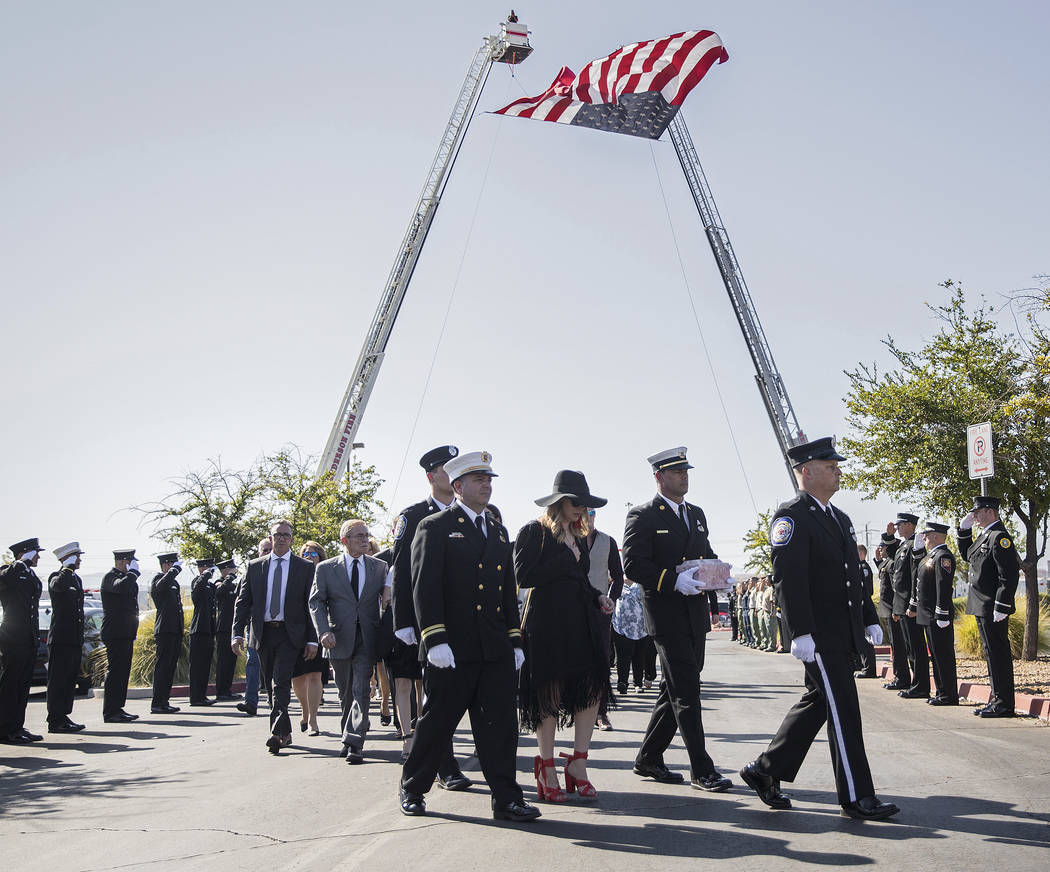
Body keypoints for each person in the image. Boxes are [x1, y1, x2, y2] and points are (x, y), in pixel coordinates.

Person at [739, 437, 899, 821]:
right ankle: (858, 796)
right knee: (844, 707)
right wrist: (799, 632)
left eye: (836, 465)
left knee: (819, 702)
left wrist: (868, 618)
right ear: (806, 471)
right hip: (818, 634)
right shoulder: (791, 516)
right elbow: (788, 580)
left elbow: (853, 579)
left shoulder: (839, 518)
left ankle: (764, 769)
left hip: (841, 631)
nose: (838, 470)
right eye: (830, 466)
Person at [399, 451, 540, 822]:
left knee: (500, 727)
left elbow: (506, 591)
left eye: (489, 479)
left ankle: (507, 799)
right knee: (438, 722)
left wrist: (514, 640)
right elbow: (424, 587)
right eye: (479, 480)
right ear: (458, 486)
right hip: (453, 646)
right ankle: (413, 788)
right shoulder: (435, 526)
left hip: (493, 646)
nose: (486, 485)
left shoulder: (497, 530)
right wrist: (434, 638)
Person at [622, 446, 732, 793]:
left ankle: (648, 757)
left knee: (675, 687)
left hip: (694, 614)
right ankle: (702, 768)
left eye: (686, 471)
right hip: (666, 615)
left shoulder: (696, 513)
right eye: (676, 472)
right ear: (659, 477)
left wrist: (719, 574)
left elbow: (705, 553)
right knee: (687, 690)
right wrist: (672, 580)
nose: (684, 476)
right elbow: (633, 565)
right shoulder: (643, 515)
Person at [515, 470, 615, 801]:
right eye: (575, 502)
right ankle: (546, 765)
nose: (581, 509)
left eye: (585, 504)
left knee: (591, 690)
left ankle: (578, 763)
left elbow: (579, 580)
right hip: (546, 625)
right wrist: (564, 560)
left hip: (580, 623)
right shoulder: (534, 531)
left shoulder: (579, 535)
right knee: (550, 694)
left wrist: (598, 595)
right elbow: (524, 574)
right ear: (559, 502)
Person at [390, 445, 472, 787]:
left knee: (454, 697)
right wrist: (404, 622)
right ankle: (443, 766)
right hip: (429, 624)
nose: (451, 474)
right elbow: (403, 573)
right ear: (431, 476)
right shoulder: (414, 516)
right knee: (437, 699)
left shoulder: (469, 514)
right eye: (444, 469)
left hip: (465, 623)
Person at [232, 519, 319, 755]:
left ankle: (276, 733)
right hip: (263, 633)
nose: (281, 538)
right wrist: (237, 633)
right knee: (269, 683)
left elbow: (311, 606)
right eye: (277, 534)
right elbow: (243, 603)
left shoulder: (304, 568)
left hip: (290, 634)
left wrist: (313, 639)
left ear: (292, 539)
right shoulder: (255, 566)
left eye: (285, 535)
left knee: (280, 680)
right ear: (270, 538)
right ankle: (286, 730)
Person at [310, 523, 387, 761]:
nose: (365, 540)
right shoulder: (326, 568)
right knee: (345, 693)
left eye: (366, 535)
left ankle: (355, 742)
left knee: (361, 688)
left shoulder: (379, 567)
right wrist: (323, 632)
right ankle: (349, 732)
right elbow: (316, 602)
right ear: (345, 540)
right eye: (359, 536)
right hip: (338, 638)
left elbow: (385, 601)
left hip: (367, 637)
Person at [958, 495, 1019, 718]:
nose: (974, 515)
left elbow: (1009, 575)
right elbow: (967, 555)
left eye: (978, 512)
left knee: (998, 654)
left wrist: (1002, 605)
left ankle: (1004, 704)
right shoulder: (986, 536)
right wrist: (964, 532)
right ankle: (997, 698)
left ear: (990, 512)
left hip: (993, 606)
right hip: (982, 605)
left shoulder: (999, 537)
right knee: (990, 653)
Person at [0, 538, 45, 744]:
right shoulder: (9, 572)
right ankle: (5, 729)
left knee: (22, 685)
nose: (37, 556)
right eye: (34, 552)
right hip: (13, 638)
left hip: (28, 638)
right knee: (10, 685)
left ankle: (17, 726)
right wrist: (17, 564)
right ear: (23, 554)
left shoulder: (30, 574)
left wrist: (23, 567)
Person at [584, 508, 623, 731]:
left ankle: (601, 713)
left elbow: (617, 575)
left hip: (599, 611)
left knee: (601, 661)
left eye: (592, 513)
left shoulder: (608, 541)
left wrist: (611, 599)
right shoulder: (568, 540)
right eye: (584, 512)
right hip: (572, 610)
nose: (588, 517)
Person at [914, 522, 958, 706]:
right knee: (936, 655)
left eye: (927, 534)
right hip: (928, 614)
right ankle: (941, 691)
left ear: (937, 536)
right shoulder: (931, 556)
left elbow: (943, 586)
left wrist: (942, 613)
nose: (923, 537)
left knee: (943, 656)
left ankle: (948, 694)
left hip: (937, 615)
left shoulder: (943, 556)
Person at [46, 542, 87, 733]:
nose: (79, 560)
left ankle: (64, 715)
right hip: (61, 639)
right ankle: (55, 720)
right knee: (58, 680)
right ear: (66, 558)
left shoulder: (76, 579)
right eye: (75, 557)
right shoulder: (57, 577)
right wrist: (66, 568)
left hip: (74, 638)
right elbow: (58, 587)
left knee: (69, 679)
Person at [891, 512, 930, 700]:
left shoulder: (916, 544)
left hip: (909, 604)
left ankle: (921, 685)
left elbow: (915, 576)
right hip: (901, 604)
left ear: (910, 525)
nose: (897, 528)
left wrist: (913, 604)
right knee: (909, 647)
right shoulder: (903, 545)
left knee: (916, 647)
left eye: (900, 525)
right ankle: (913, 683)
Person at [101, 548, 142, 723]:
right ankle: (110, 711)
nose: (132, 566)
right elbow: (122, 587)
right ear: (121, 561)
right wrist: (132, 573)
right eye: (129, 562)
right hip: (115, 633)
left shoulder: (127, 579)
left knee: (123, 672)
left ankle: (118, 707)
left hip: (126, 633)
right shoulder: (110, 577)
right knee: (115, 671)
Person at [294, 541, 328, 735]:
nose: (308, 556)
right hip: (296, 630)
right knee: (298, 677)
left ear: (320, 556)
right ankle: (304, 710)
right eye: (305, 554)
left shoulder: (325, 573)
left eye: (313, 553)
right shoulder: (297, 574)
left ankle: (313, 719)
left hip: (318, 628)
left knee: (315, 674)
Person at [237, 536, 271, 716]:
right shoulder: (252, 569)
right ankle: (250, 701)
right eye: (264, 550)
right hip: (255, 626)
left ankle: (274, 700)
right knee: (253, 661)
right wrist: (237, 632)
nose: (267, 553)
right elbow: (241, 601)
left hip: (276, 626)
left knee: (273, 665)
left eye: (270, 549)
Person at [150, 552, 184, 714]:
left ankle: (164, 701)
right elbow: (160, 588)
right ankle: (157, 703)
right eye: (171, 565)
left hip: (174, 630)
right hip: (164, 629)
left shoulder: (174, 583)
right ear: (165, 565)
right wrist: (172, 572)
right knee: (162, 666)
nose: (174, 568)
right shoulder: (158, 579)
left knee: (170, 666)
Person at [876, 529, 908, 690]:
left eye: (883, 547)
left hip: (893, 609)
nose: (881, 550)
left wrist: (896, 609)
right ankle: (899, 676)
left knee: (899, 646)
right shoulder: (886, 562)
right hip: (889, 609)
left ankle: (902, 677)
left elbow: (895, 587)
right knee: (895, 646)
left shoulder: (892, 562)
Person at [188, 557, 218, 706]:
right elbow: (197, 589)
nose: (210, 572)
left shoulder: (209, 586)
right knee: (197, 666)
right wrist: (205, 574)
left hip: (208, 629)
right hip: (198, 630)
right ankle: (195, 697)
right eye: (207, 568)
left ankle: (202, 695)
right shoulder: (197, 582)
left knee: (205, 665)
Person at [612, 578, 648, 693]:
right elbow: (610, 599)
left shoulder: (641, 583)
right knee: (623, 656)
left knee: (639, 655)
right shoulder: (617, 583)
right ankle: (622, 682)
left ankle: (638, 683)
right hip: (621, 626)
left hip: (640, 627)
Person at [213, 558, 240, 701]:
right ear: (224, 570)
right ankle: (221, 691)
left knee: (231, 660)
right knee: (223, 660)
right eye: (231, 569)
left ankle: (227, 689)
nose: (234, 571)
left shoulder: (232, 586)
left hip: (232, 627)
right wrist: (229, 577)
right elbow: (219, 591)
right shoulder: (219, 583)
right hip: (223, 627)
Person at [854, 545, 878, 678]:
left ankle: (869, 669)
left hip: (863, 606)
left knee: (866, 640)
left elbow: (866, 590)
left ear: (862, 554)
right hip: (860, 606)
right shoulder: (858, 567)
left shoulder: (863, 568)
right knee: (862, 638)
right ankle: (863, 665)